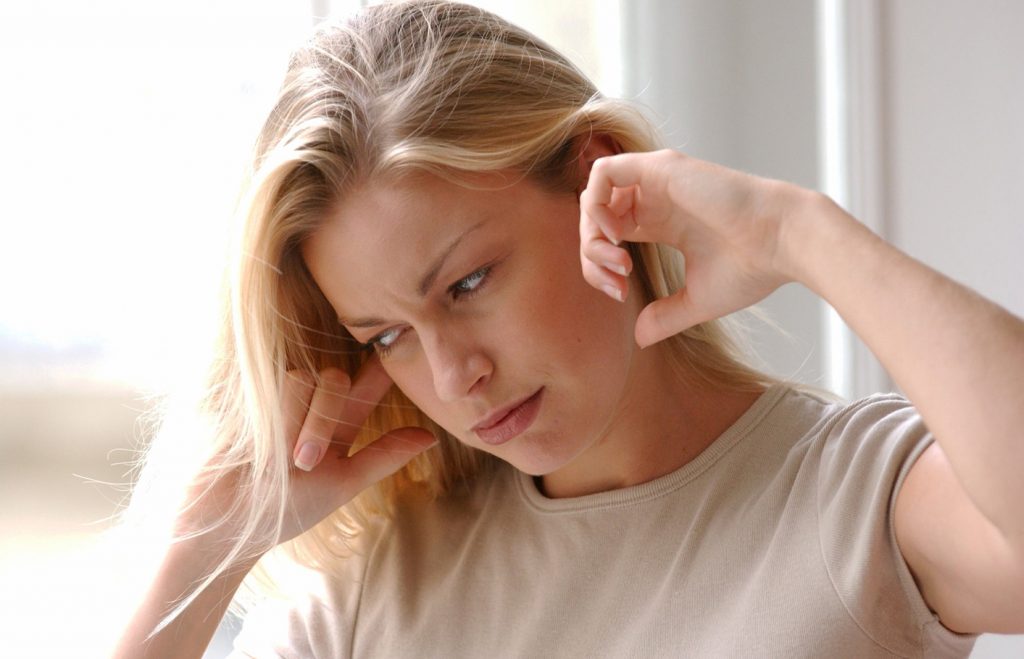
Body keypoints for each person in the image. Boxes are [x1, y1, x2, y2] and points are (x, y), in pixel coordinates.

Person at [113, 1, 1024, 657]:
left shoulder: (856, 502)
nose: (454, 374)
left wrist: (801, 233)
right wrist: (206, 546)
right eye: (387, 335)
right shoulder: (369, 597)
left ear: (599, 178)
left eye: (468, 282)